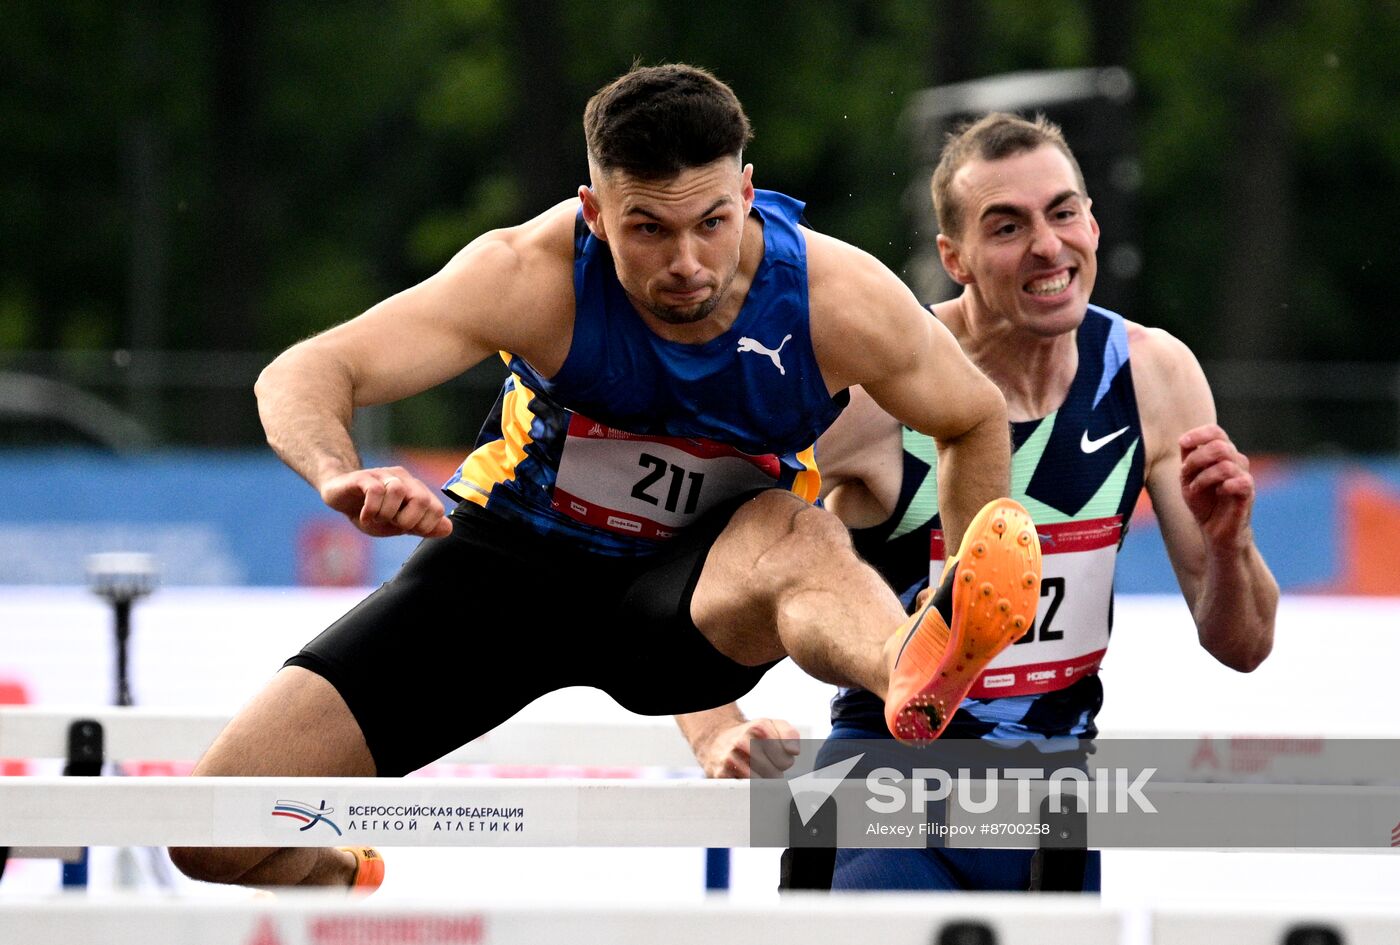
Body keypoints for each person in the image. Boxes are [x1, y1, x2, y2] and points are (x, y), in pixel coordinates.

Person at [167, 65, 1045, 891]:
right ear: (593, 211)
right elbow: (304, 371)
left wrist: (956, 578)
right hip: (506, 575)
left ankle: (913, 663)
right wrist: (339, 474)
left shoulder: (833, 297)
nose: (687, 264)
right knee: (207, 834)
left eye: (711, 221)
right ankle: (342, 869)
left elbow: (970, 417)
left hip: (691, 597)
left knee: (796, 530)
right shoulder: (529, 273)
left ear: (747, 193)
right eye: (648, 229)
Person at [688, 112, 1279, 891]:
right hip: (885, 794)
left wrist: (1231, 543)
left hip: (1051, 808)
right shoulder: (879, 391)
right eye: (1008, 227)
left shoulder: (1153, 374)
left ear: (1093, 224)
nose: (1047, 245)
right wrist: (715, 730)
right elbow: (686, 548)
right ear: (954, 258)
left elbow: (1242, 644)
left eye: (1063, 212)